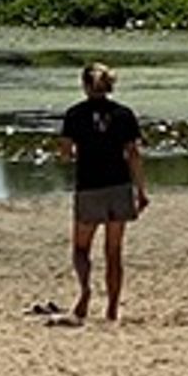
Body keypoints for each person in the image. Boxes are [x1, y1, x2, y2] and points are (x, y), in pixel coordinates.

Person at [58, 62, 146, 324]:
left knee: (81, 248)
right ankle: (112, 309)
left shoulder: (74, 114)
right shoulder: (124, 114)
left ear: (85, 85)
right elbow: (134, 154)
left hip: (89, 184)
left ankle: (85, 289)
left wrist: (74, 154)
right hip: (119, 185)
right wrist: (141, 190)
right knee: (114, 251)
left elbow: (65, 152)